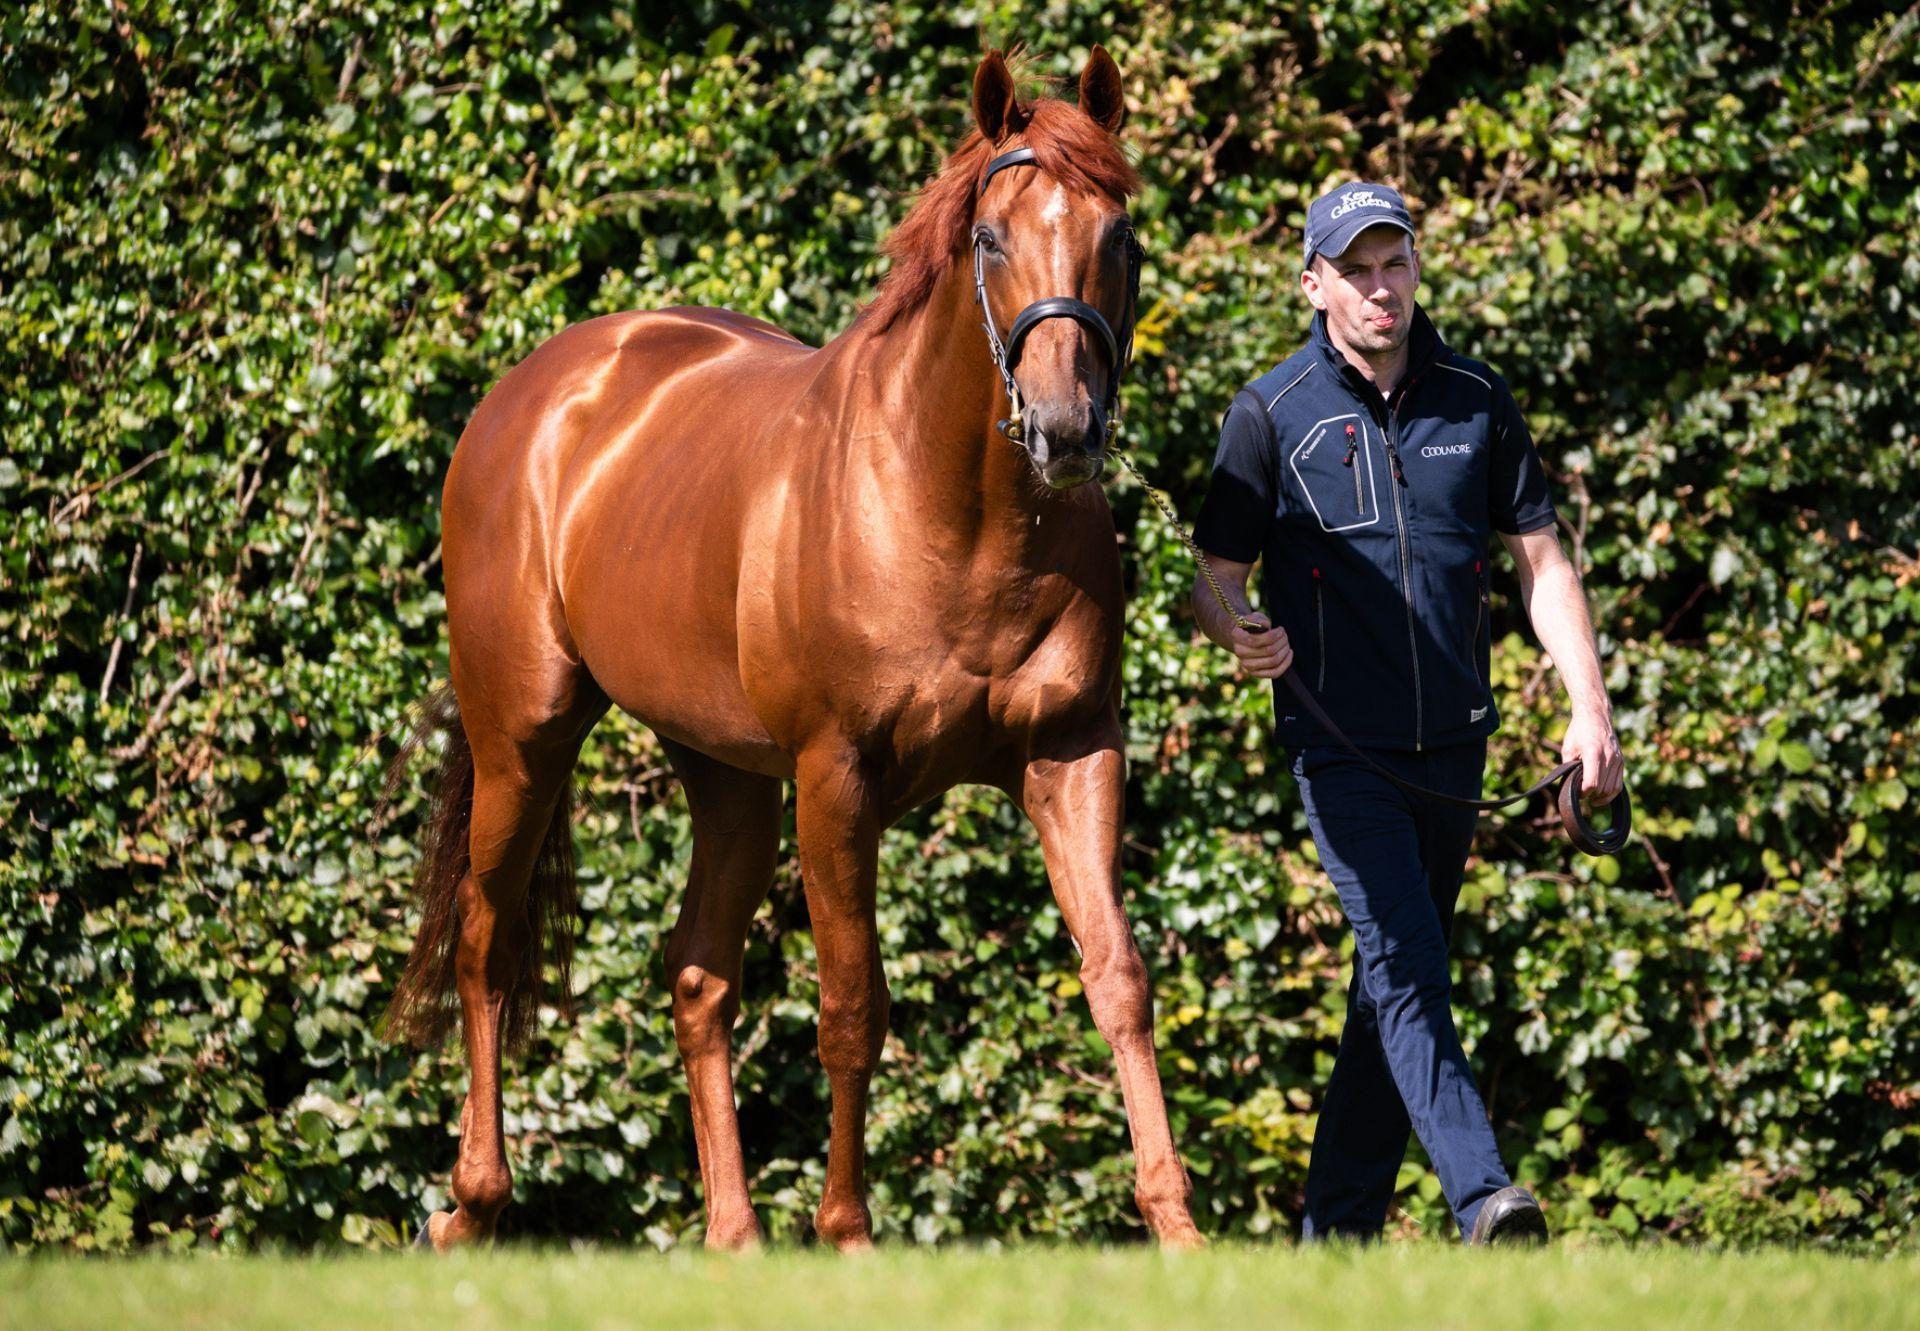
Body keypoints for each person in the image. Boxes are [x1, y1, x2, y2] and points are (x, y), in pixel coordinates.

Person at [1190, 181, 1625, 1244]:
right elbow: (1211, 575)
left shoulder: (1476, 398)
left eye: (1397, 263)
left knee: (1388, 992)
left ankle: (1329, 1244)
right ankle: (1483, 1196)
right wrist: (1236, 626)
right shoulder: (1271, 411)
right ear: (1314, 281)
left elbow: (1541, 560)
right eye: (1358, 268)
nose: (1383, 288)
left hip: (1456, 755)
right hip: (1341, 753)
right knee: (1407, 964)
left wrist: (1588, 702)